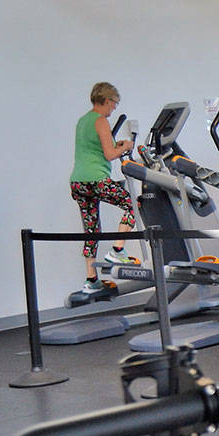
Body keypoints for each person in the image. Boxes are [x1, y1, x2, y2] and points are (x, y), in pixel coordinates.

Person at [71, 81, 137, 296]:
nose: (113, 109)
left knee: (91, 229)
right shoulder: (100, 121)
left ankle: (91, 280)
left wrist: (114, 147)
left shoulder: (83, 121)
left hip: (78, 182)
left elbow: (96, 149)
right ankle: (118, 250)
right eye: (114, 104)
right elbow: (109, 155)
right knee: (133, 205)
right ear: (107, 100)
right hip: (96, 180)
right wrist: (126, 146)